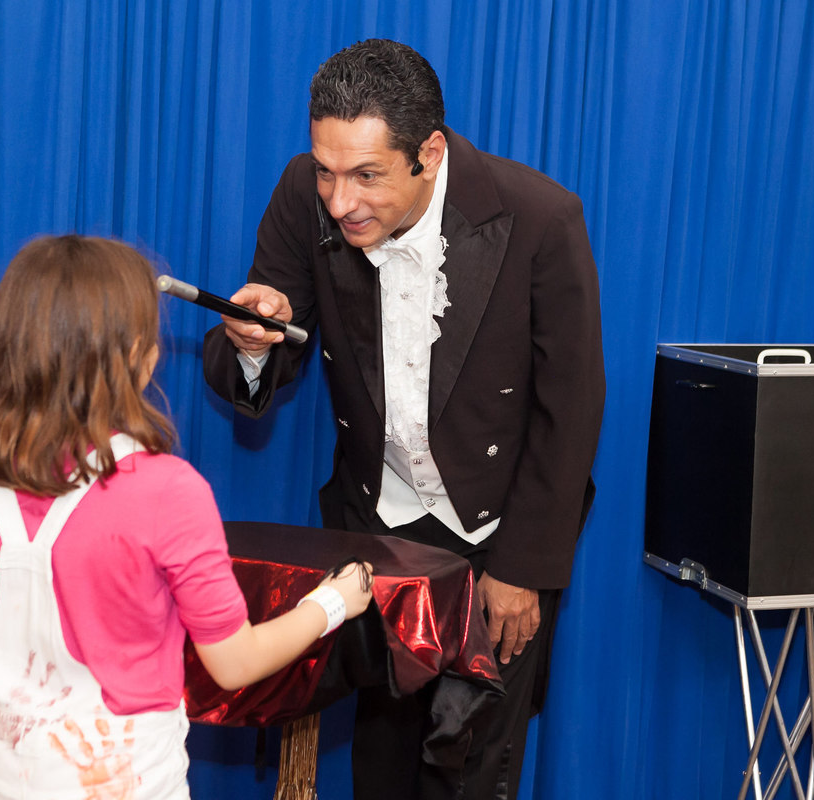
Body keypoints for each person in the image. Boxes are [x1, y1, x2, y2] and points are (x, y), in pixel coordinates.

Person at [202, 40, 605, 799]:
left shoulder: (540, 218)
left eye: (366, 176)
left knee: (471, 768)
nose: (339, 201)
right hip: (374, 531)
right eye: (326, 170)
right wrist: (253, 340)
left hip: (498, 539)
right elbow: (254, 366)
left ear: (429, 152)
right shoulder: (304, 194)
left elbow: (572, 409)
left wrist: (521, 569)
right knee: (380, 767)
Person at [0, 234, 373, 800]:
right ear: (137, 358)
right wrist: (334, 602)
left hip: (4, 781)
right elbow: (234, 664)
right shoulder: (168, 490)